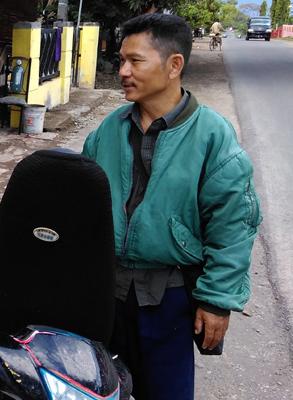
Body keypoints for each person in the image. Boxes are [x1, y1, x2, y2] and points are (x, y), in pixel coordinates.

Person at [81, 13, 262, 400]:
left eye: (135, 61)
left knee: (165, 392)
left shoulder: (212, 137)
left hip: (170, 298)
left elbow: (233, 226)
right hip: (104, 292)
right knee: (99, 388)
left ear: (174, 65)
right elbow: (83, 203)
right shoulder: (109, 129)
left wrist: (217, 301)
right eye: (121, 60)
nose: (123, 70)